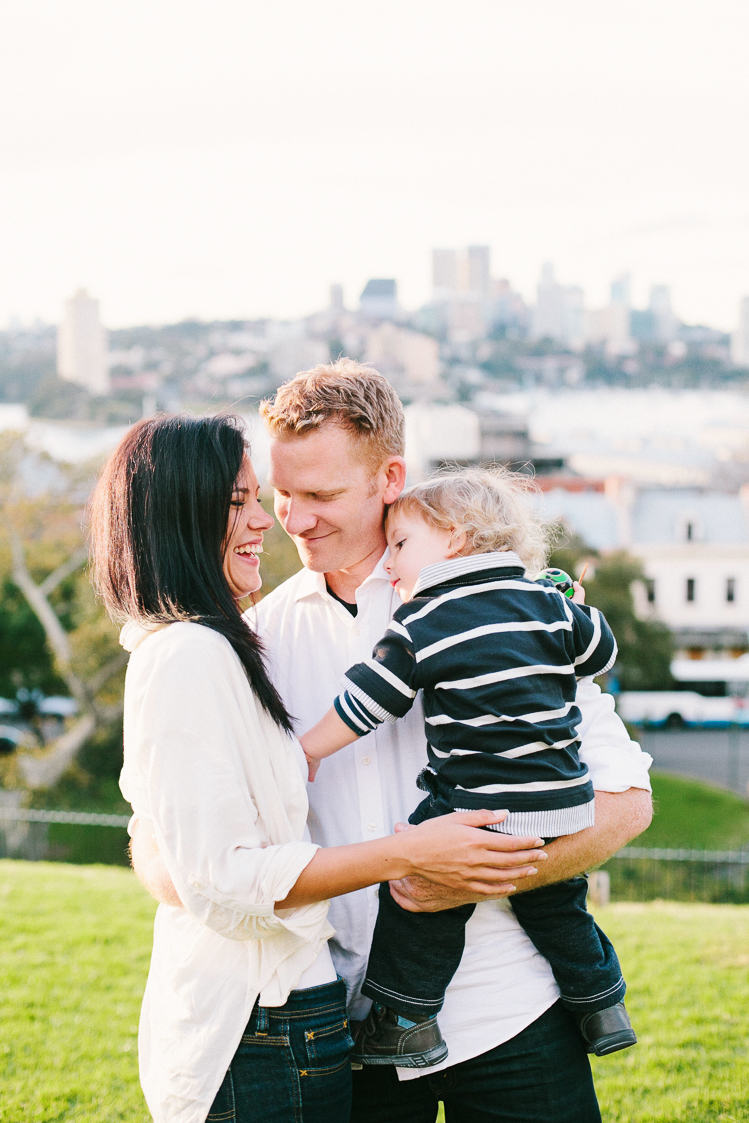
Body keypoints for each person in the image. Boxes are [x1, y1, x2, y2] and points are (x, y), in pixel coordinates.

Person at [132, 360, 653, 1123]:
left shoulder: (495, 604)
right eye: (281, 494)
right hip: (347, 1031)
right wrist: (200, 870)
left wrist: (481, 871)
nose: (293, 518)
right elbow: (161, 839)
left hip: (509, 1013)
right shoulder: (254, 640)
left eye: (320, 495)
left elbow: (626, 802)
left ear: (390, 477)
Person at [92, 413, 538, 1123]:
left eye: (256, 496)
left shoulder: (230, 642)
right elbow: (215, 870)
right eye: (240, 500)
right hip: (260, 1017)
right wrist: (410, 851)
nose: (272, 520)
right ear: (181, 514)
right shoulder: (197, 652)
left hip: (323, 1010)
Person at [301, 468, 636, 1068]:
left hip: (478, 800)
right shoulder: (546, 602)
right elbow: (599, 656)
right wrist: (575, 610)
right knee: (558, 903)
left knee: (419, 895)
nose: (391, 563)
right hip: (563, 795)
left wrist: (309, 748)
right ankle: (601, 1002)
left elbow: (367, 700)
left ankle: (408, 1020)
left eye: (401, 545)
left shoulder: (426, 620)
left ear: (454, 538)